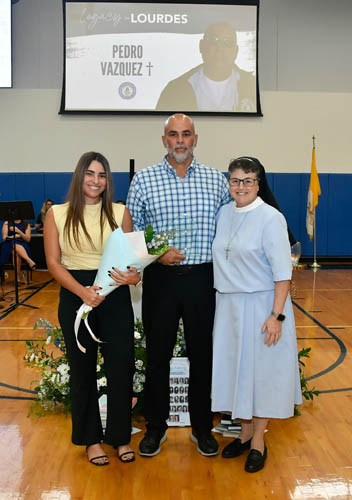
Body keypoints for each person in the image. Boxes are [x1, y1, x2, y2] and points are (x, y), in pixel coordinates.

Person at [126, 113, 232, 457]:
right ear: (164, 140)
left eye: (186, 134)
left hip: (204, 279)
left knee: (203, 355)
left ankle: (202, 427)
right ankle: (155, 428)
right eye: (174, 135)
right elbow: (133, 232)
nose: (180, 140)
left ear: (195, 139)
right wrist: (157, 253)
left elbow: (231, 229)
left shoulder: (217, 181)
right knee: (157, 356)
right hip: (162, 281)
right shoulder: (144, 180)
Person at [44, 151, 141, 466]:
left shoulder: (120, 212)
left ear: (107, 181)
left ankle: (119, 437)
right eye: (90, 173)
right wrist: (82, 292)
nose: (95, 181)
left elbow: (131, 262)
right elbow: (53, 263)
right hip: (76, 294)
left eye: (102, 175)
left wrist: (134, 275)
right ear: (79, 176)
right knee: (83, 372)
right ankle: (90, 441)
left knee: (120, 368)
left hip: (114, 295)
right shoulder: (56, 214)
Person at [211, 157, 302, 473]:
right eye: (235, 180)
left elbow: (282, 271)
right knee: (238, 371)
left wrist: (276, 316)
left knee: (260, 374)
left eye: (248, 180)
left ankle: (259, 442)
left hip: (262, 306)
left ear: (259, 183)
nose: (241, 186)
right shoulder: (223, 214)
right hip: (229, 307)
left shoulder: (270, 217)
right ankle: (244, 433)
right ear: (229, 183)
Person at [156, 23, 256, 112]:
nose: (220, 48)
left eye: (227, 42)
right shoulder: (175, 90)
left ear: (236, 51)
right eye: (214, 41)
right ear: (201, 46)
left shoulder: (251, 86)